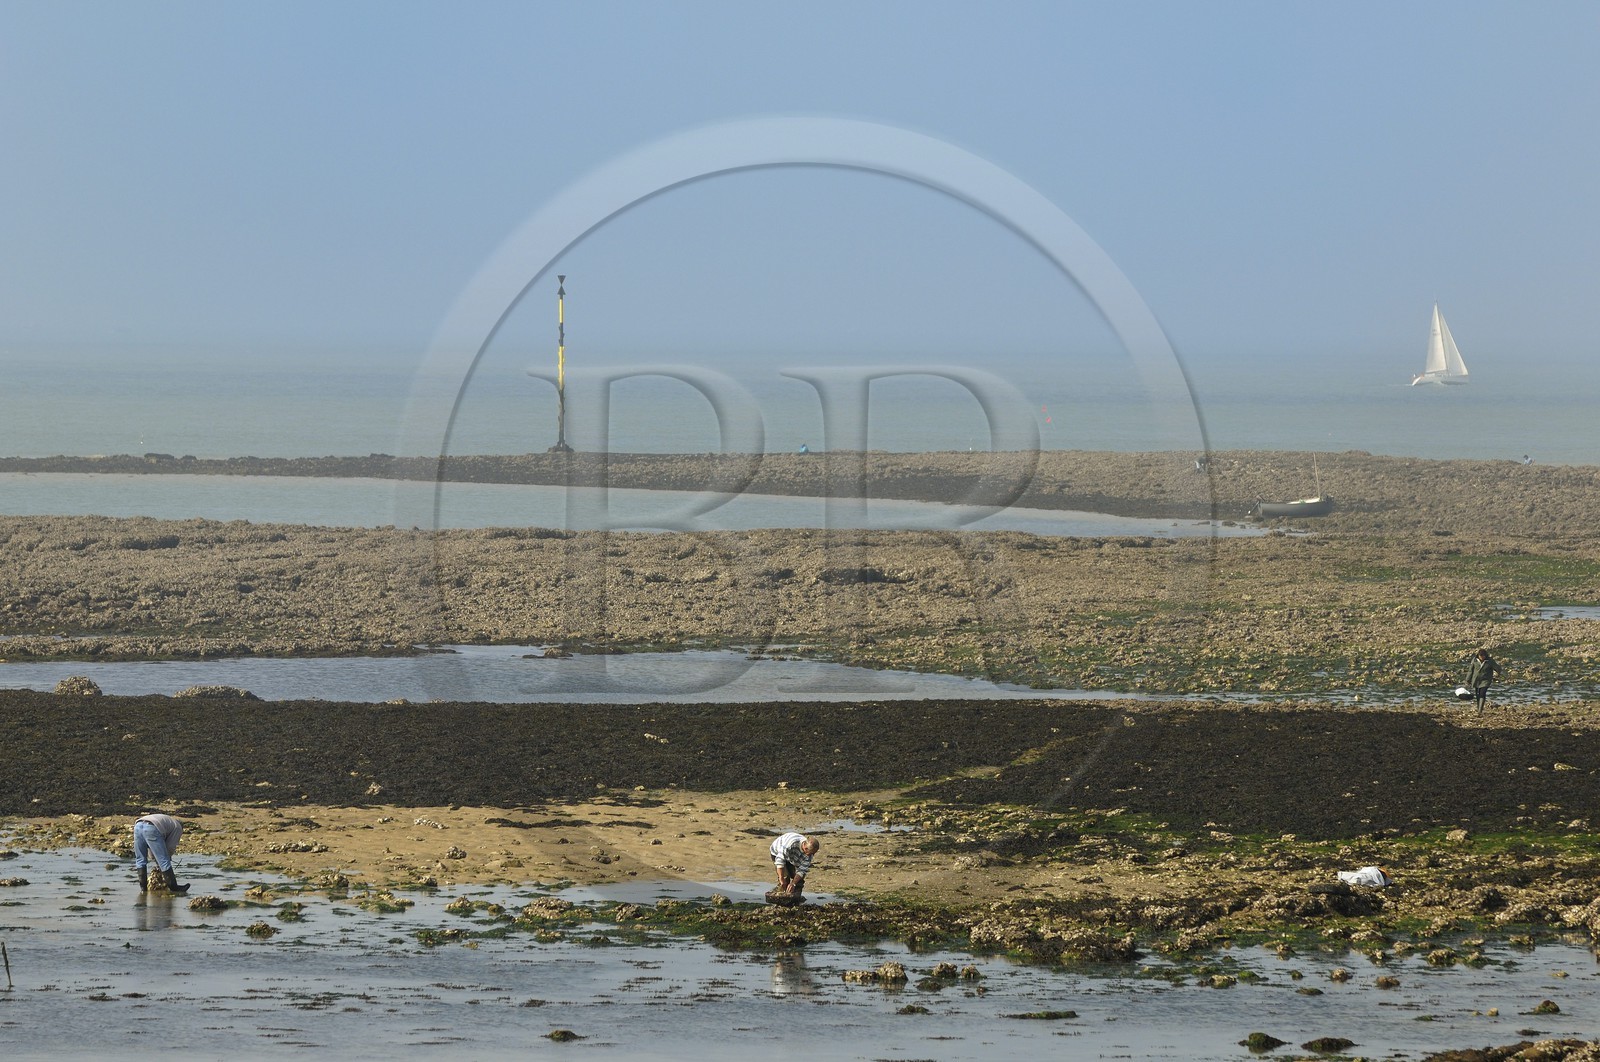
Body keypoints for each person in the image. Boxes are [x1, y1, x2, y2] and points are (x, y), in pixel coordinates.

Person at [133, 812, 190, 894]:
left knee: (140, 860)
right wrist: (167, 857)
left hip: (138, 825)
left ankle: (143, 890)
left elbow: (151, 848)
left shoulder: (168, 821)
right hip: (152, 827)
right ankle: (174, 888)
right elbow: (170, 847)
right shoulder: (178, 827)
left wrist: (154, 857)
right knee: (164, 860)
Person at [770, 831, 820, 898]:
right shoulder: (789, 845)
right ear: (805, 848)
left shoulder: (809, 853)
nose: (812, 855)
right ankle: (781, 896)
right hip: (777, 852)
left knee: (799, 880)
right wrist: (781, 879)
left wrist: (793, 883)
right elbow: (780, 862)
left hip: (793, 857)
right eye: (811, 853)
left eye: (814, 853)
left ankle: (795, 897)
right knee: (785, 879)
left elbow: (802, 870)